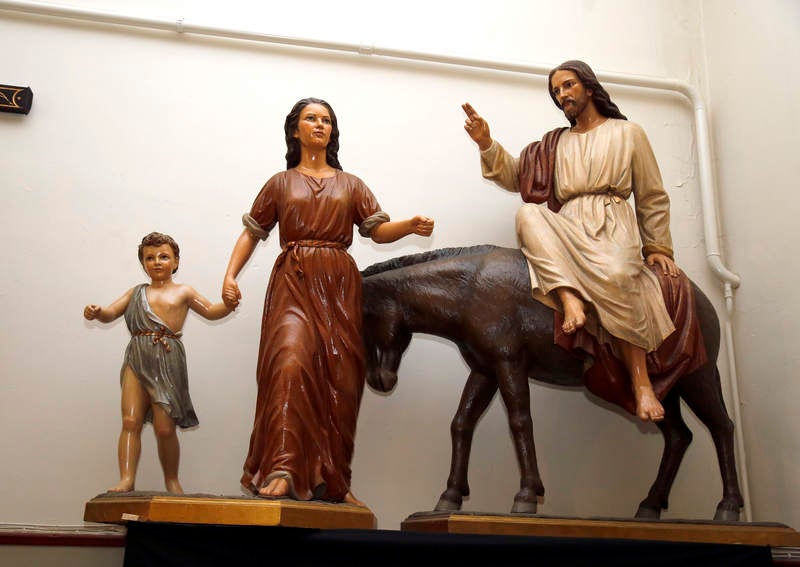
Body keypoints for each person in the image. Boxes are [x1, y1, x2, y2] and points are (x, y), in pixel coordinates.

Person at [222, 97, 434, 506]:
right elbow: (252, 231)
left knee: (341, 379)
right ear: (295, 130)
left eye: (326, 120)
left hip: (339, 285)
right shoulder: (280, 183)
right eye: (311, 118)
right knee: (288, 364)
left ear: (332, 131)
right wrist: (230, 275)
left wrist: (408, 225)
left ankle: (334, 480)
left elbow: (376, 231)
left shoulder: (350, 184)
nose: (319, 125)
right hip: (294, 281)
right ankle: (282, 468)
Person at [463, 60, 680, 423]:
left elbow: (652, 195)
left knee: (619, 275)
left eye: (567, 85)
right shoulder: (555, 143)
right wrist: (486, 142)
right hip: (569, 223)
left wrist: (657, 247)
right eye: (556, 91)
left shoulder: (628, 133)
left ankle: (641, 382)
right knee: (528, 214)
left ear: (589, 87)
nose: (561, 94)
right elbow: (516, 176)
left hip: (612, 223)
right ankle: (568, 297)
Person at [84, 232, 232, 493]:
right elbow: (110, 313)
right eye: (150, 258)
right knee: (130, 421)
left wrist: (229, 304)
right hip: (137, 358)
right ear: (143, 264)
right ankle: (127, 479)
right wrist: (98, 312)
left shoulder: (184, 291)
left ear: (176, 261)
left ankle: (172, 480)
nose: (157, 262)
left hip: (167, 359)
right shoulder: (136, 292)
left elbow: (211, 311)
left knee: (165, 428)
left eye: (164, 256)